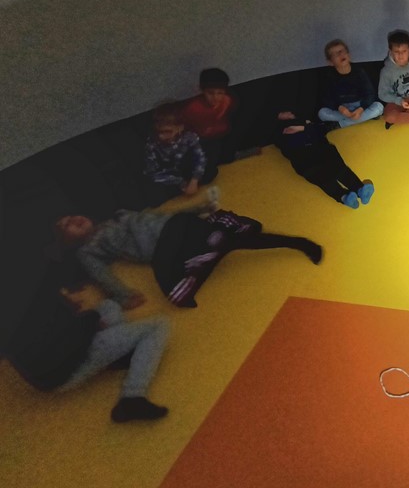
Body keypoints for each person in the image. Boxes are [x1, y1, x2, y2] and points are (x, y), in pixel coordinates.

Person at [56, 201, 322, 309]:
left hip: (179, 226)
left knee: (224, 241)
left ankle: (296, 243)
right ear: (69, 239)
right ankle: (219, 236)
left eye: (71, 216)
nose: (73, 220)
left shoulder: (119, 215)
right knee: (173, 290)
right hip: (164, 248)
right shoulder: (88, 250)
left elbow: (162, 216)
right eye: (67, 225)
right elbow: (100, 273)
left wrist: (200, 208)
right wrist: (123, 295)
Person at [4, 273, 171, 423]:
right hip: (65, 368)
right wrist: (91, 321)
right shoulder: (34, 294)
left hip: (54, 360)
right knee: (159, 325)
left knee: (108, 306)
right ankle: (132, 397)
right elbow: (66, 343)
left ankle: (119, 357)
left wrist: (79, 312)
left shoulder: (16, 304)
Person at [275, 109, 375, 208]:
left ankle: (359, 189)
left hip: (321, 150)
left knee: (339, 169)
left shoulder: (305, 122)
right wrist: (303, 129)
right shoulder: (281, 133)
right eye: (284, 112)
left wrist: (303, 128)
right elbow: (286, 150)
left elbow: (321, 130)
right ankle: (344, 196)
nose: (289, 113)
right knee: (325, 179)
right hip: (304, 159)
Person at [142, 103, 217, 209]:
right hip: (169, 175)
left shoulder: (189, 137)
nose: (162, 136)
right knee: (152, 192)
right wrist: (181, 183)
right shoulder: (152, 143)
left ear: (180, 127)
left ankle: (191, 186)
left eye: (167, 131)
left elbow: (200, 158)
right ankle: (181, 190)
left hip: (186, 170)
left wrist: (194, 180)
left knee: (211, 170)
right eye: (159, 132)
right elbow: (152, 172)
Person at [180, 67, 248, 166]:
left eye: (220, 93)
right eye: (210, 93)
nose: (215, 97)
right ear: (202, 90)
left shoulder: (228, 100)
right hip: (201, 140)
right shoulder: (193, 108)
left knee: (223, 158)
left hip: (219, 137)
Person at [317, 39, 384, 129]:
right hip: (342, 110)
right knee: (322, 113)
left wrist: (361, 109)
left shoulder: (359, 72)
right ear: (330, 62)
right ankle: (362, 118)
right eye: (336, 54)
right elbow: (328, 98)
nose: (341, 55)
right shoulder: (329, 76)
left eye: (342, 51)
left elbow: (370, 93)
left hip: (360, 106)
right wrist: (340, 108)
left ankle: (341, 124)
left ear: (348, 55)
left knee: (379, 107)